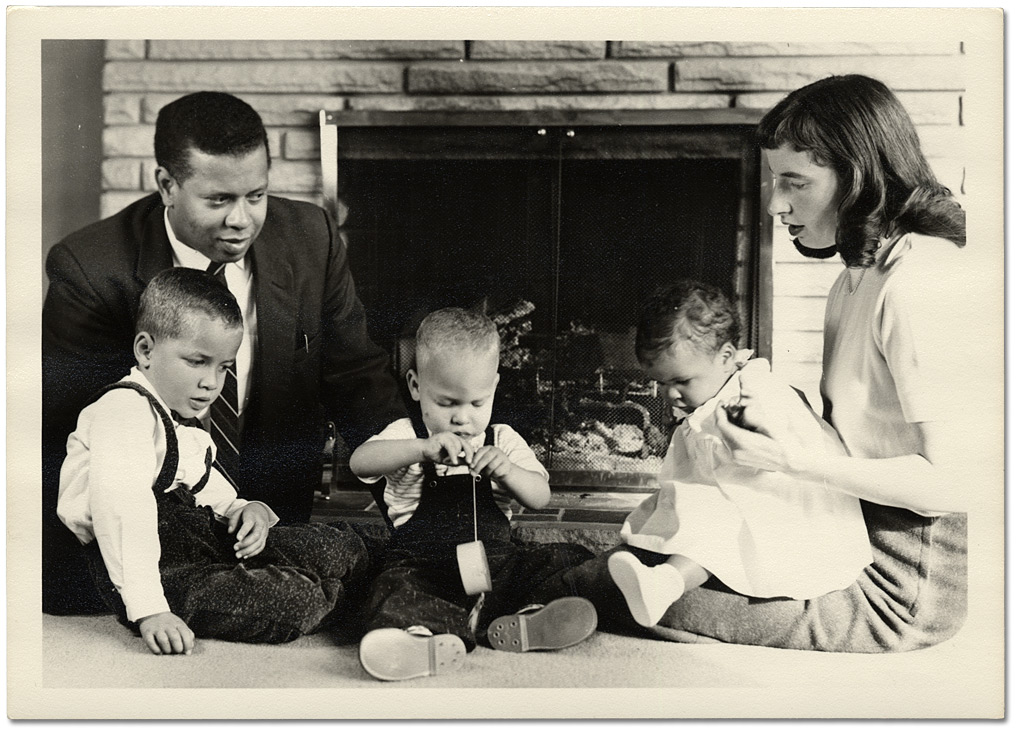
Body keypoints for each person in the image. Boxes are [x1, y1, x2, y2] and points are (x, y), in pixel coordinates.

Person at [561, 74, 971, 653]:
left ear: (856, 177)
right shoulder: (853, 281)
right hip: (838, 532)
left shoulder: (917, 283)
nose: (776, 203)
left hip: (897, 589)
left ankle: (504, 597)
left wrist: (791, 459)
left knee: (611, 590)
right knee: (640, 562)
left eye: (794, 182)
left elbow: (951, 484)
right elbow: (854, 433)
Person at [43, 91, 405, 614]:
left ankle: (434, 598)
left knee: (363, 552)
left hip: (265, 514)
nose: (242, 219)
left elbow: (356, 373)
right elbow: (82, 433)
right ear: (166, 184)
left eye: (256, 195)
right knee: (303, 596)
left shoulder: (310, 237)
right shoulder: (91, 268)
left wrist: (415, 487)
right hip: (156, 535)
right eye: (218, 200)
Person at [57, 268, 370, 655]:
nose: (212, 382)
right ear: (145, 350)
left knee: (335, 544)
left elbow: (210, 490)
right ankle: (367, 597)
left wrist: (245, 508)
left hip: (197, 541)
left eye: (223, 367)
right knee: (295, 601)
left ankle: (374, 573)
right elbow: (122, 512)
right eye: (197, 361)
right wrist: (150, 608)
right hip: (144, 571)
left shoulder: (177, 424)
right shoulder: (122, 410)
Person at [607, 279, 873, 628]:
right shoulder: (724, 383)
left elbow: (781, 447)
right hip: (741, 487)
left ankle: (666, 584)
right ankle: (656, 567)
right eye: (662, 383)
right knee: (688, 508)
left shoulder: (753, 394)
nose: (670, 395)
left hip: (787, 512)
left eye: (682, 381)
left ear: (727, 357)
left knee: (716, 525)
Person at [349, 308, 597, 681]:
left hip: (495, 566)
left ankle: (529, 618)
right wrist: (420, 449)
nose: (462, 418)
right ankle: (417, 639)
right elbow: (360, 463)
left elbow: (540, 496)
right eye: (447, 403)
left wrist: (509, 471)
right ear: (416, 386)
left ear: (494, 388)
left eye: (476, 403)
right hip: (425, 567)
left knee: (566, 557)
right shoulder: (406, 434)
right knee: (393, 586)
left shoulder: (503, 439)